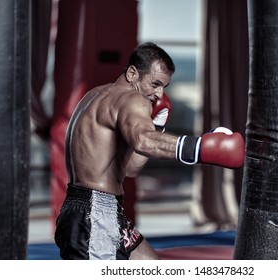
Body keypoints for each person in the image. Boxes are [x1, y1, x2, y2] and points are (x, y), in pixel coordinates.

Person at [54, 42, 245, 260]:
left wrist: (156, 126)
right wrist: (201, 148)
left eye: (164, 86)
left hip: (92, 210)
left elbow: (132, 168)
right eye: (155, 84)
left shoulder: (94, 96)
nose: (159, 94)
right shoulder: (131, 98)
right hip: (95, 215)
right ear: (132, 73)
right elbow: (143, 141)